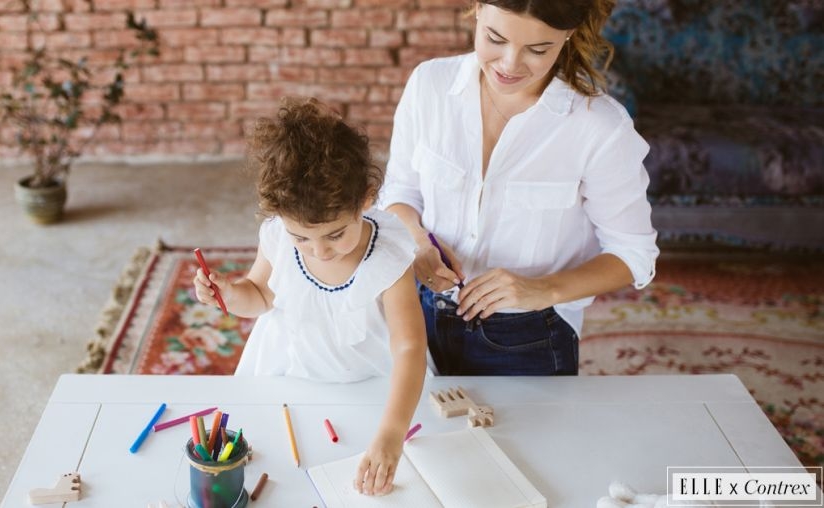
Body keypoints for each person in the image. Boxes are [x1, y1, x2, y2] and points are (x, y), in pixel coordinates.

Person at [379, 0, 659, 376]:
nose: (510, 64)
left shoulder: (599, 127)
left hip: (528, 337)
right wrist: (416, 240)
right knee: (418, 434)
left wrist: (544, 289)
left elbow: (634, 255)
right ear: (477, 9)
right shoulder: (429, 85)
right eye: (495, 38)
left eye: (538, 49)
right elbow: (400, 192)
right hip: (418, 314)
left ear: (568, 35)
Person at [193, 97, 427, 496]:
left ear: (365, 200)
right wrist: (230, 294)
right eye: (301, 237)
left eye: (335, 234)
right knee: (287, 481)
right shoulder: (278, 237)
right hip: (289, 377)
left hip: (371, 387)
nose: (319, 251)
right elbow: (261, 296)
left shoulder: (388, 255)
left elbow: (409, 347)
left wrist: (390, 433)